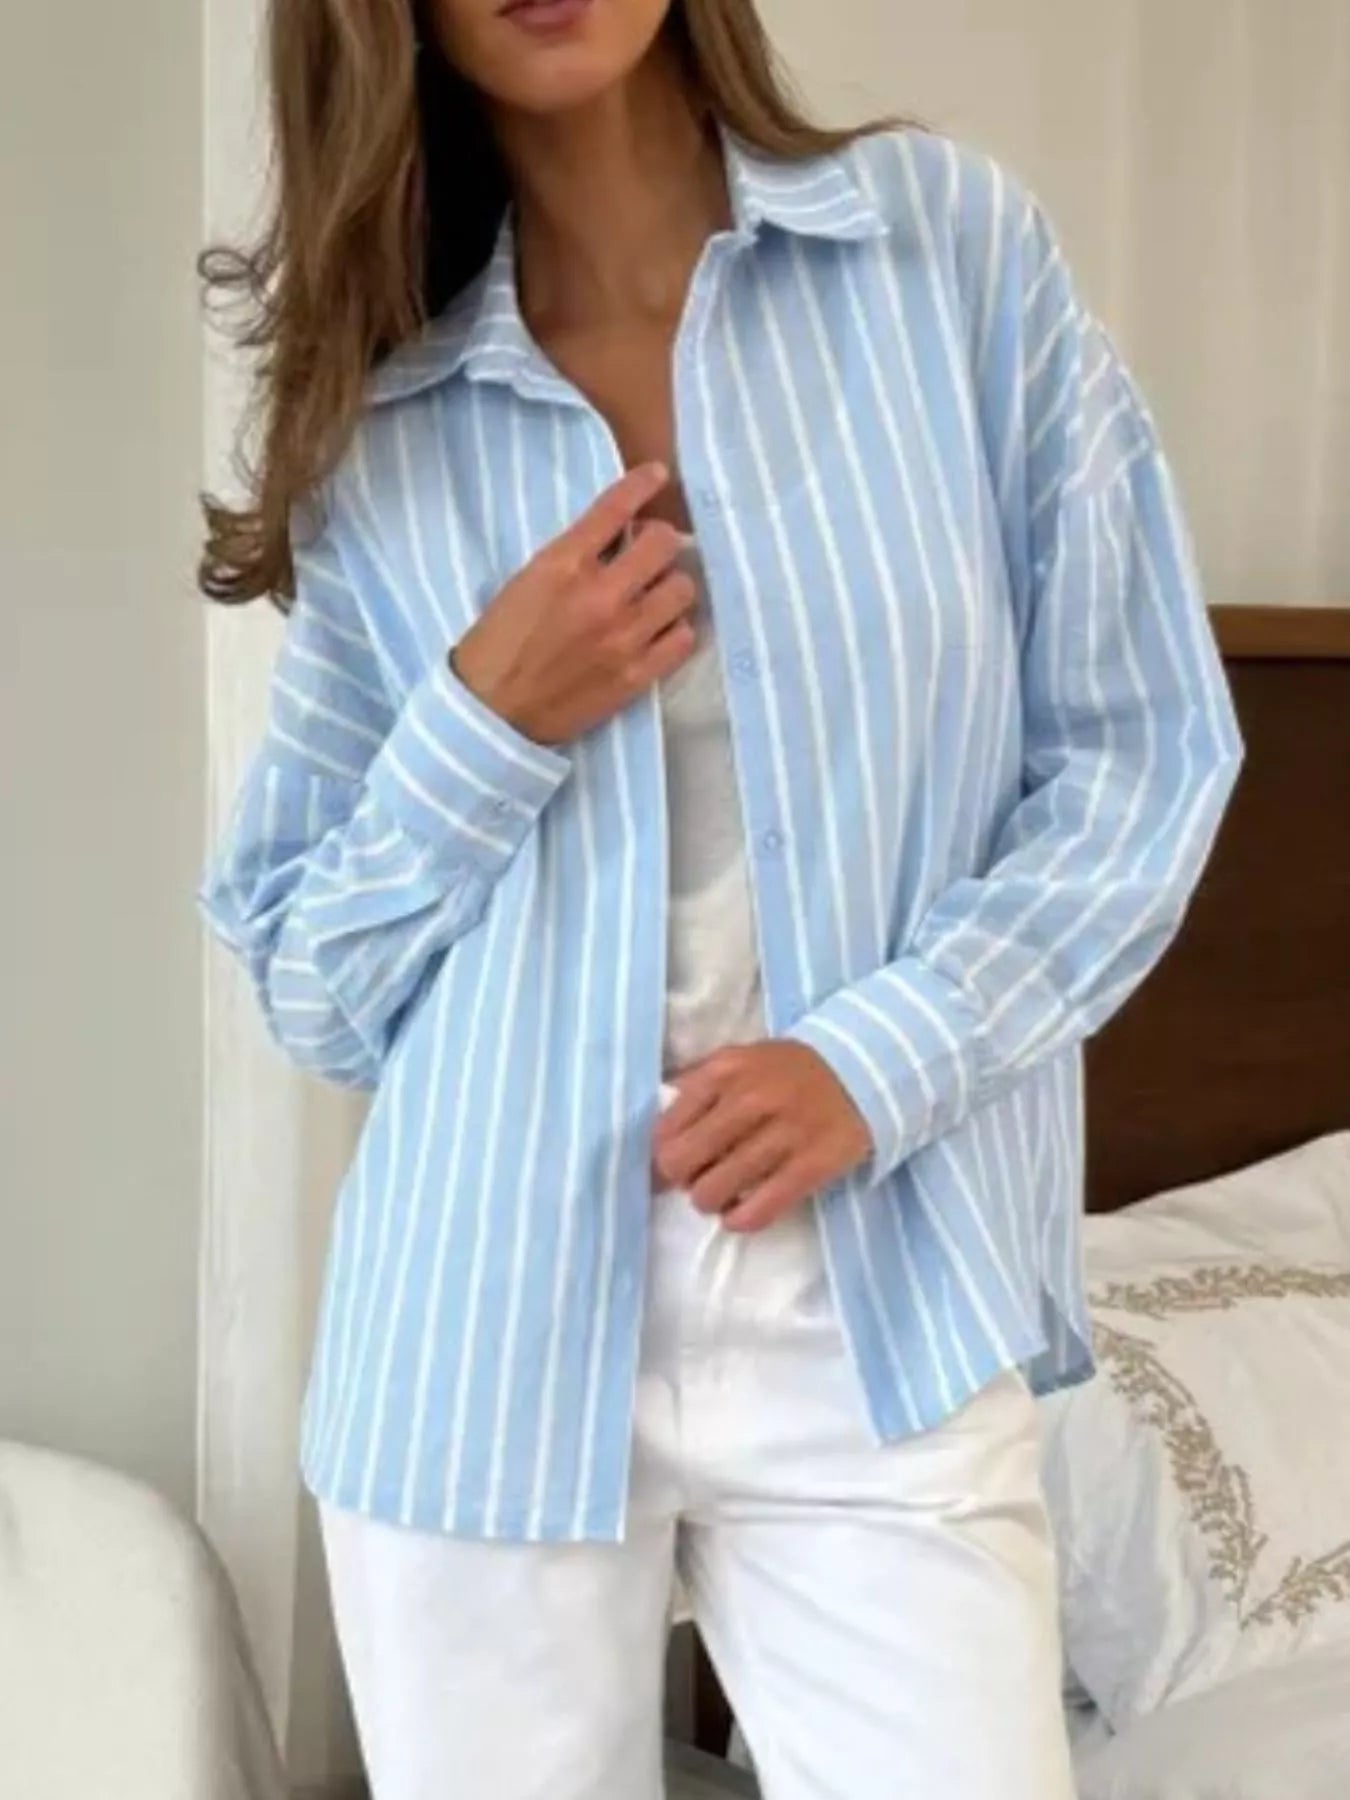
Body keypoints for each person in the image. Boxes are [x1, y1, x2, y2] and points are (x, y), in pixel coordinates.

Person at [199, 1, 1242, 1795]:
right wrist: (483, 719)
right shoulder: (390, 410)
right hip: (476, 1336)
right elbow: (312, 977)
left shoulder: (946, 256)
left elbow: (1141, 754)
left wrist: (876, 1060)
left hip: (876, 1310)